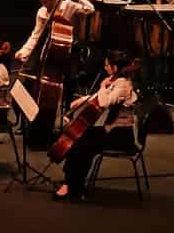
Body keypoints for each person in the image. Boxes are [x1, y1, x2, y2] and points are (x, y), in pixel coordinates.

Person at [55, 50, 139, 201]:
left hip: (121, 136)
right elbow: (104, 94)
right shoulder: (117, 81)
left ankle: (73, 186)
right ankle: (70, 183)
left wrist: (101, 87)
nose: (105, 68)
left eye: (107, 65)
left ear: (115, 67)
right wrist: (83, 100)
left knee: (83, 144)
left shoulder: (123, 85)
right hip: (112, 131)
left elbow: (105, 101)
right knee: (79, 137)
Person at [15, 0, 95, 67]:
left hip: (70, 51)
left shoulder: (68, 5)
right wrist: (23, 52)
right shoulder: (41, 12)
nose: (44, 5)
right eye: (42, 3)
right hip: (48, 53)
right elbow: (36, 35)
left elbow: (90, 9)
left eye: (45, 2)